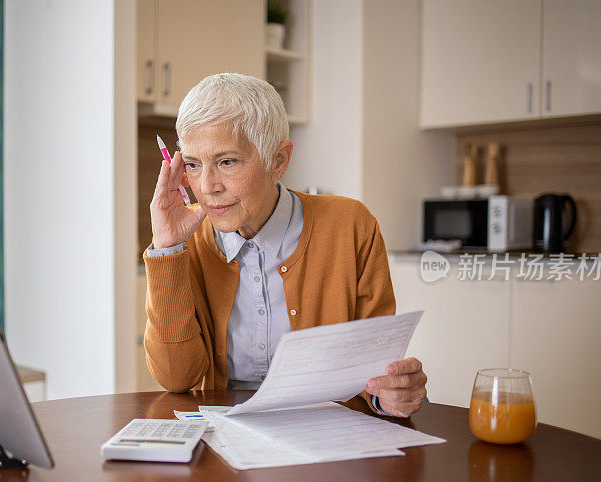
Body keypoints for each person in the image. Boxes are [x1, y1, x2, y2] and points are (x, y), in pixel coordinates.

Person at [143, 73, 427, 417]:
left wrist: (391, 394)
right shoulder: (190, 243)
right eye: (192, 164)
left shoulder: (351, 225)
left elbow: (375, 371)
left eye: (227, 162)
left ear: (279, 160)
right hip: (228, 438)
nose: (207, 186)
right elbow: (176, 378)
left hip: (330, 436)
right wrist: (167, 249)